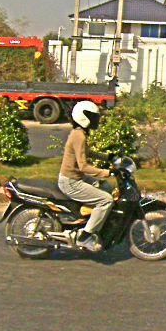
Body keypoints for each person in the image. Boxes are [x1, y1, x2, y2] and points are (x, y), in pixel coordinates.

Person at [58, 100, 113, 253]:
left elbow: (87, 153)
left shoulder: (79, 133)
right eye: (94, 117)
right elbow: (83, 166)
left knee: (106, 187)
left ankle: (94, 221)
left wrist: (109, 157)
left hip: (75, 178)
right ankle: (85, 236)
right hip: (71, 182)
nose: (96, 120)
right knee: (106, 200)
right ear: (84, 117)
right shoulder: (79, 136)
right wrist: (106, 173)